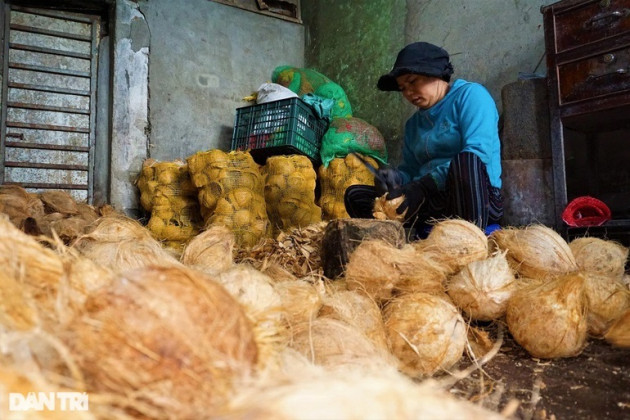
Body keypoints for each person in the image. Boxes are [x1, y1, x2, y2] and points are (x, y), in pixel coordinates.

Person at [344, 41, 503, 236]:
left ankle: (470, 240)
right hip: (431, 203)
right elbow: (411, 169)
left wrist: (425, 186)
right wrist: (395, 178)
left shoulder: (471, 96)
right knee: (356, 196)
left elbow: (479, 152)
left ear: (434, 72)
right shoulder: (413, 125)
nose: (408, 92)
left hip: (477, 198)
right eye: (402, 88)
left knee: (467, 161)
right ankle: (392, 251)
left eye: (412, 81)